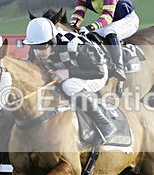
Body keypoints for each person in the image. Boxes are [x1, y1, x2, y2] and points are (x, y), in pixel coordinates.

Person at [24, 17, 115, 145]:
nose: (38, 52)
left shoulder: (76, 45)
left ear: (53, 40)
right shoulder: (37, 46)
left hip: (96, 73)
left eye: (42, 47)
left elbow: (98, 72)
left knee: (69, 85)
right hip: (67, 72)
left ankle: (105, 124)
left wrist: (68, 73)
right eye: (34, 47)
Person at [69, 0, 139, 82]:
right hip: (112, 23)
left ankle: (119, 67)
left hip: (128, 20)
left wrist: (90, 27)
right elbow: (78, 14)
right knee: (90, 36)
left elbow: (107, 17)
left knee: (109, 31)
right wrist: (72, 26)